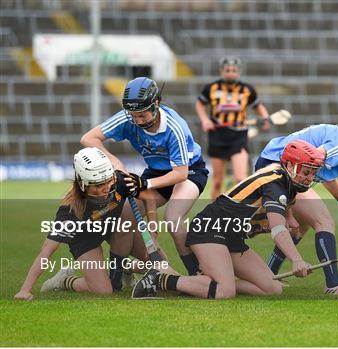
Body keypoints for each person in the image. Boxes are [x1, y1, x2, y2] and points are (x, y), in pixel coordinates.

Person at [132, 140, 324, 299]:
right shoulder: (275, 184)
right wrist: (297, 260)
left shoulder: (287, 184)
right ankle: (159, 279)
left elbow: (286, 211)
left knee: (272, 288)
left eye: (313, 173)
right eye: (306, 171)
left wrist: (290, 219)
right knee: (224, 292)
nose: (310, 177)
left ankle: (202, 285)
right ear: (289, 166)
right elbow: (277, 230)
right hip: (209, 230)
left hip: (231, 237)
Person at [254, 110, 338, 295]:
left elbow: (323, 175)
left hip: (274, 164)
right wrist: (287, 208)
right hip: (279, 168)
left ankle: (268, 274)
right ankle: (333, 286)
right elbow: (309, 161)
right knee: (324, 222)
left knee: (302, 224)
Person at [81, 77, 208, 276]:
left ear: (156, 104)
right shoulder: (127, 118)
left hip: (189, 171)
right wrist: (116, 163)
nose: (138, 120)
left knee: (173, 220)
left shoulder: (175, 127)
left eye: (142, 115)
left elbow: (180, 174)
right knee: (126, 214)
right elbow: (88, 138)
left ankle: (197, 275)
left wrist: (145, 183)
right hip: (156, 171)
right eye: (133, 115)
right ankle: (118, 275)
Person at [14, 148, 136, 300]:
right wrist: (25, 290)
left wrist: (152, 225)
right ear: (83, 183)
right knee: (103, 290)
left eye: (108, 181)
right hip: (85, 240)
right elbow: (47, 250)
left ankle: (125, 269)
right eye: (97, 185)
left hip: (113, 228)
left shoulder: (119, 181)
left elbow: (147, 196)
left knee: (151, 260)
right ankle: (63, 280)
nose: (106, 189)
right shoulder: (69, 210)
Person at [195, 57, 271, 200]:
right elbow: (200, 104)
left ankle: (241, 211)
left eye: (234, 70)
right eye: (228, 70)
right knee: (217, 181)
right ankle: (215, 214)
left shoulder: (247, 90)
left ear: (239, 72)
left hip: (239, 135)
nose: (231, 73)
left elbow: (258, 106)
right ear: (222, 71)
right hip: (217, 135)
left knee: (240, 178)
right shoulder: (211, 88)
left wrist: (265, 118)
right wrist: (205, 120)